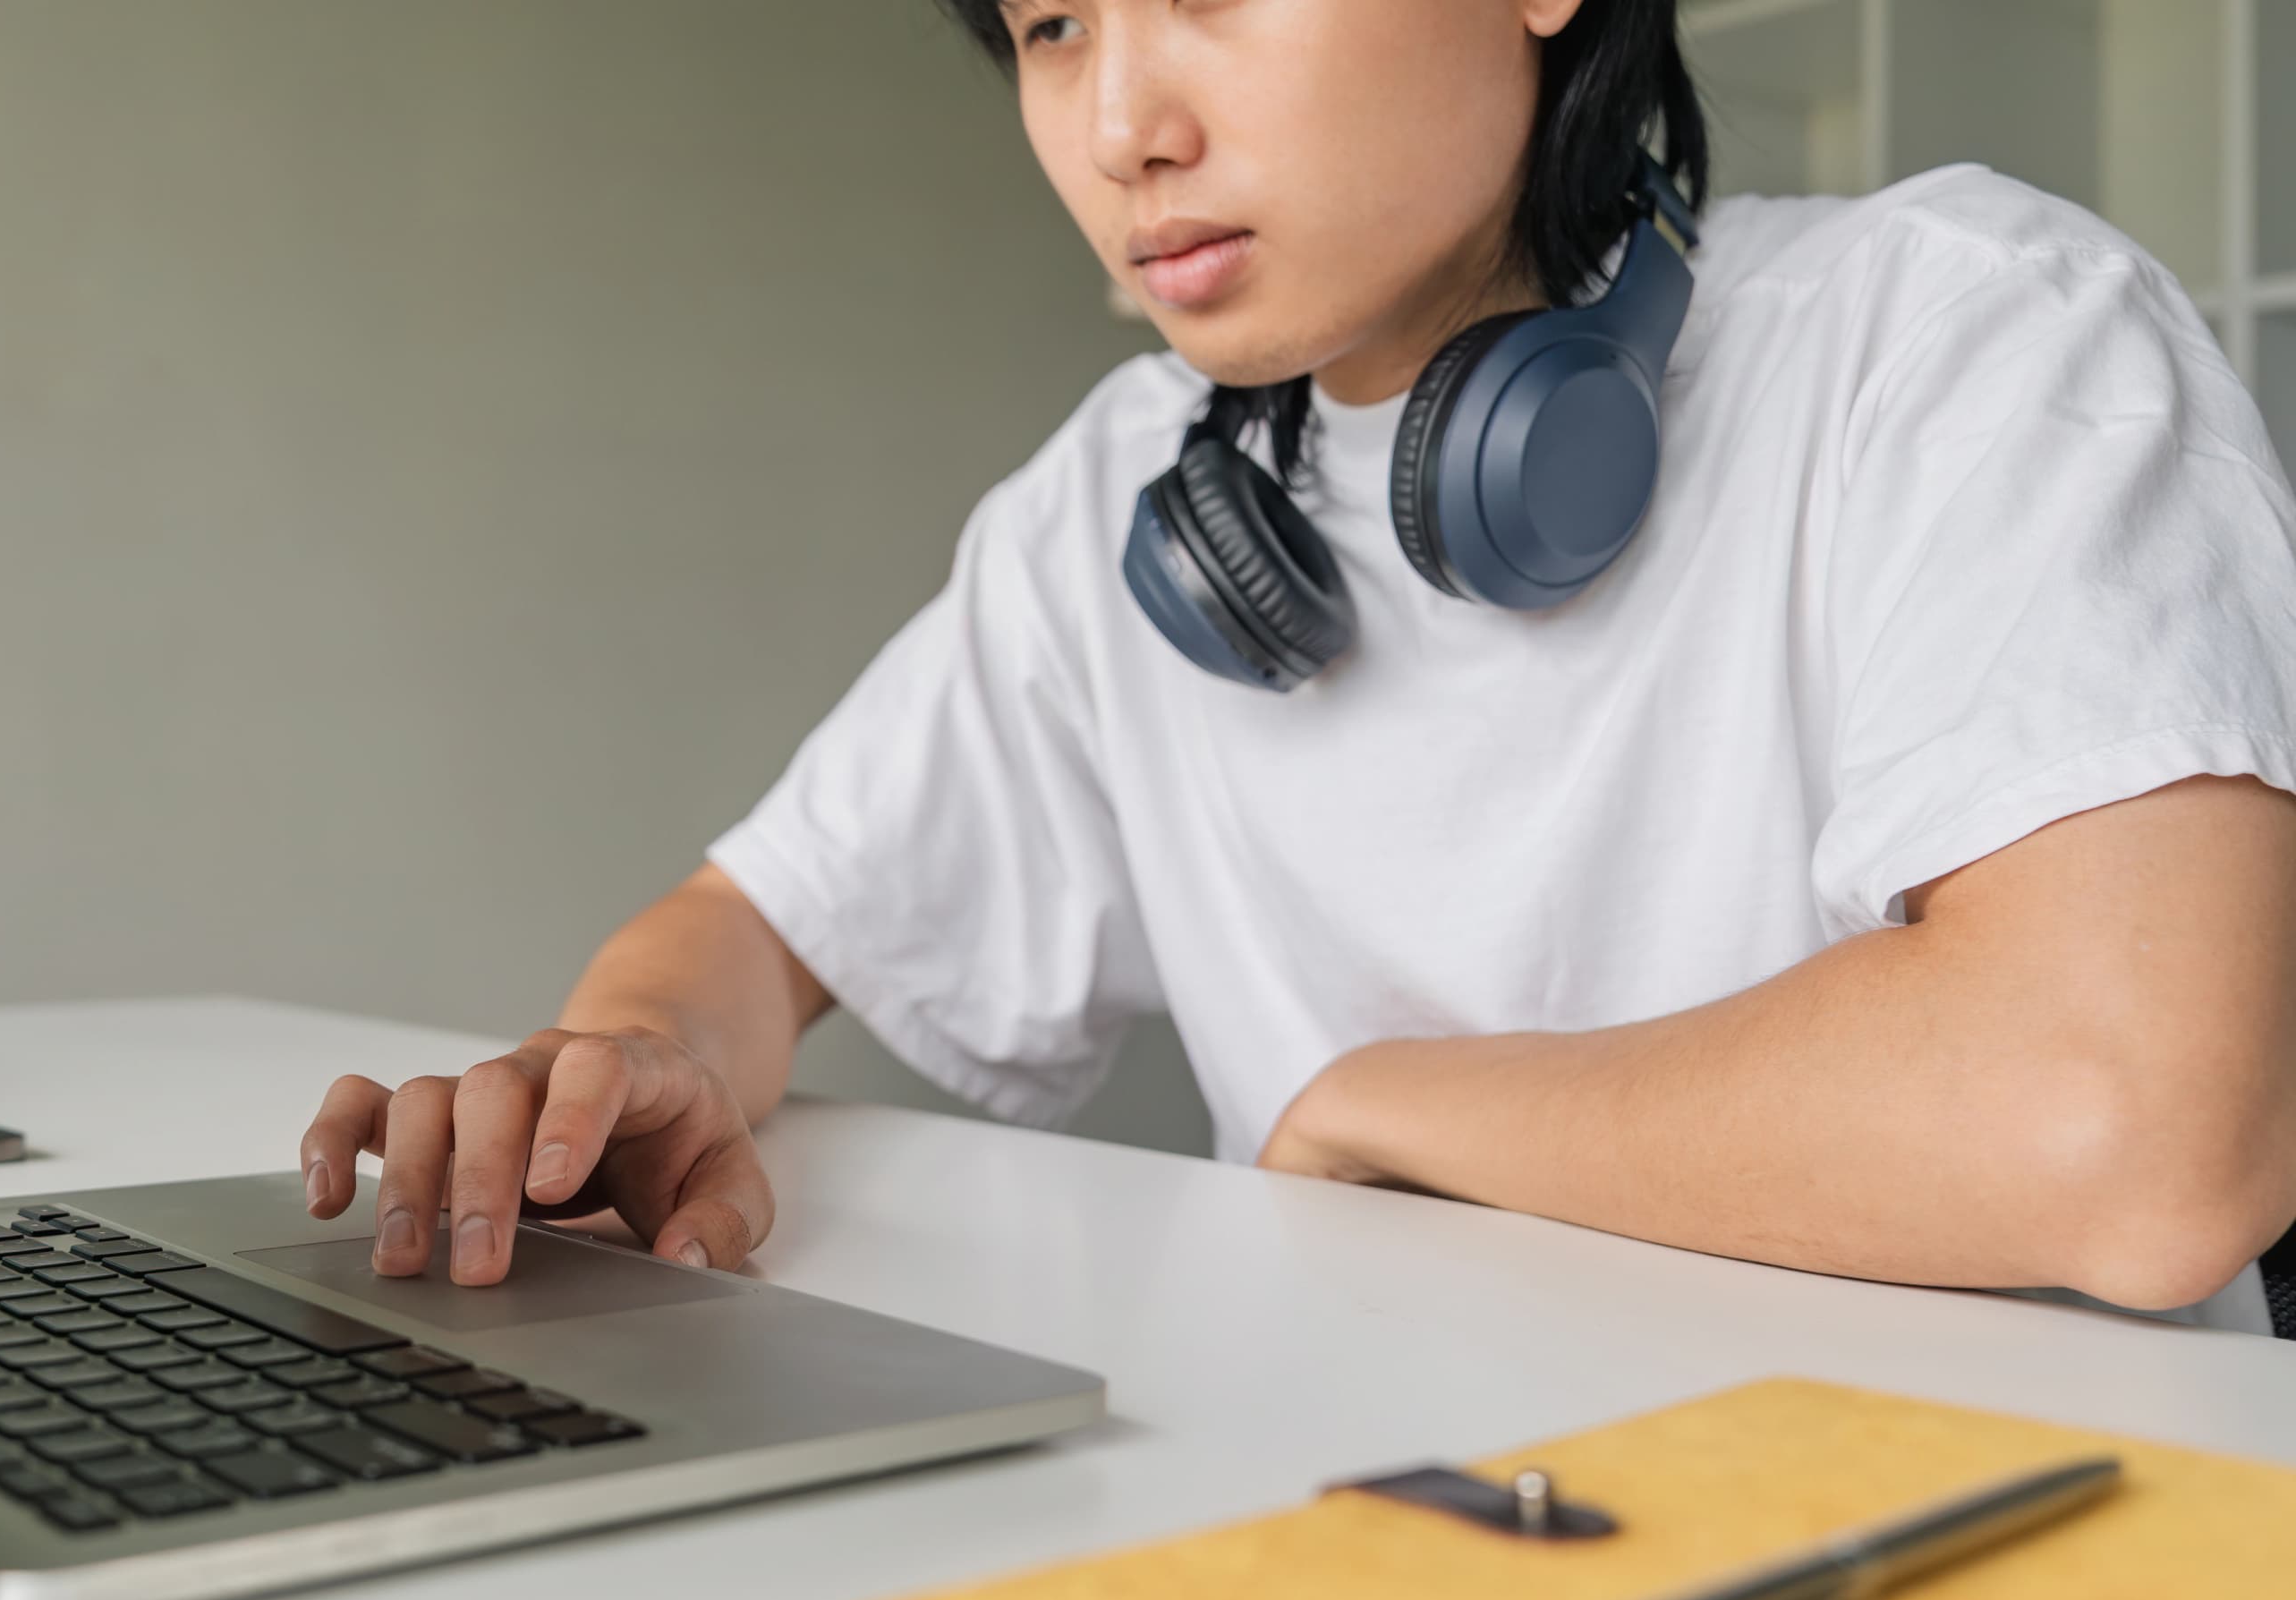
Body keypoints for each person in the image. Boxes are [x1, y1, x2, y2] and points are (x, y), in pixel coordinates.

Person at [294, 0, 2296, 1336]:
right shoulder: (1120, 503)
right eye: (1053, 23)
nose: (1121, 128)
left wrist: (1391, 1113)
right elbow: (758, 927)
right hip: (1404, 1534)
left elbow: (2136, 1136)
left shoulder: (1976, 335)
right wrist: (631, 1061)